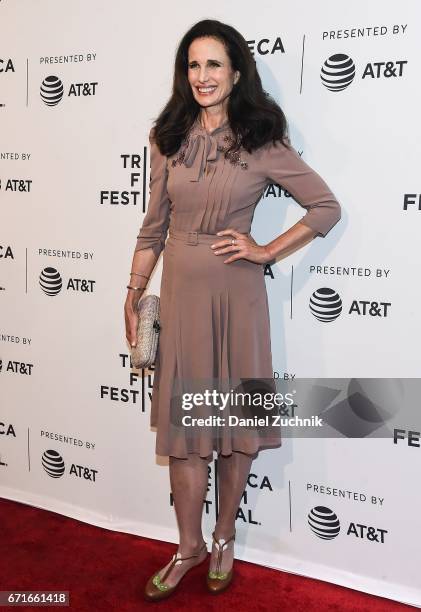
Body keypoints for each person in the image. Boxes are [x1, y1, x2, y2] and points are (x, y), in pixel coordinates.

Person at [124, 18, 341, 602]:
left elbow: (324, 207)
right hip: (183, 300)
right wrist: (133, 289)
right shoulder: (167, 137)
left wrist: (266, 249)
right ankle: (188, 546)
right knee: (188, 432)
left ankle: (224, 536)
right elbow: (153, 227)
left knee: (236, 427)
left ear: (236, 72)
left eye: (213, 64)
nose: (202, 76)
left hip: (238, 302)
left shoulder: (261, 140)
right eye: (193, 65)